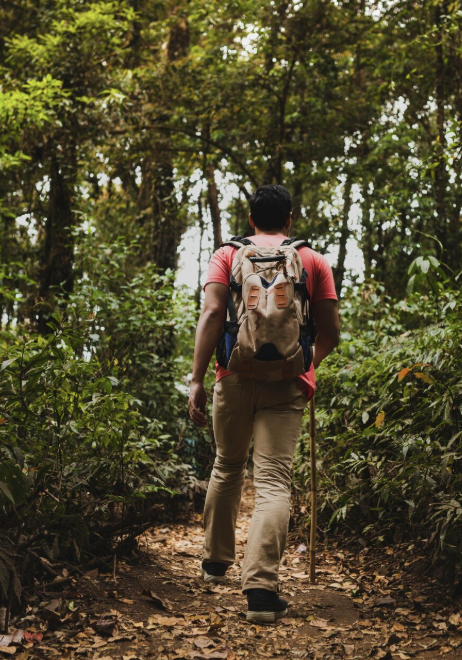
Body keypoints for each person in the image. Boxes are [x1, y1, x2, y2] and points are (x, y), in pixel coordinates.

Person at [188, 184, 340, 623]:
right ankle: (260, 591)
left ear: (251, 219)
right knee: (273, 481)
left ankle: (215, 564)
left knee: (227, 465)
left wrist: (197, 379)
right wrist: (305, 364)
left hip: (233, 377)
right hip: (287, 383)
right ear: (289, 218)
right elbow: (330, 333)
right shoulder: (312, 260)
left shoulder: (226, 255)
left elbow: (214, 315)